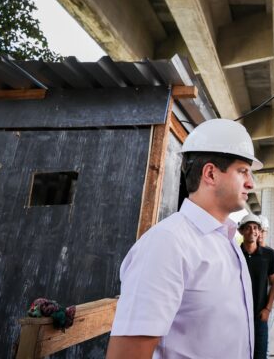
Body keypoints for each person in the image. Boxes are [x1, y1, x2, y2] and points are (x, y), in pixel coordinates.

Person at [107, 118, 261, 358]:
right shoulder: (168, 243)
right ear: (210, 173)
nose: (251, 183)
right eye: (243, 171)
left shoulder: (228, 241)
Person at [240, 214, 274, 359]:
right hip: (238, 316)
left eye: (256, 228)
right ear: (241, 231)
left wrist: (267, 309)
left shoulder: (270, 255)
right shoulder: (235, 254)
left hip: (259, 316)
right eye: (248, 228)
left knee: (260, 354)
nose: (253, 231)